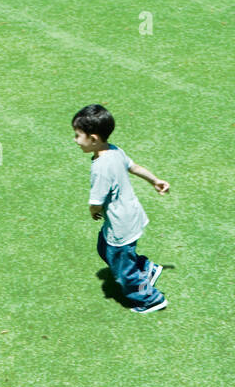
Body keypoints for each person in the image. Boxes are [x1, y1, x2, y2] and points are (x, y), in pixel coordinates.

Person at [72, 105, 170, 313]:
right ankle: (146, 268)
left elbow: (96, 202)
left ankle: (150, 298)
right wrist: (155, 181)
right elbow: (133, 167)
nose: (75, 140)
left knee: (124, 271)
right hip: (131, 216)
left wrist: (93, 212)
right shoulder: (114, 149)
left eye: (78, 136)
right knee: (104, 247)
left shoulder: (100, 168)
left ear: (94, 139)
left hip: (120, 224)